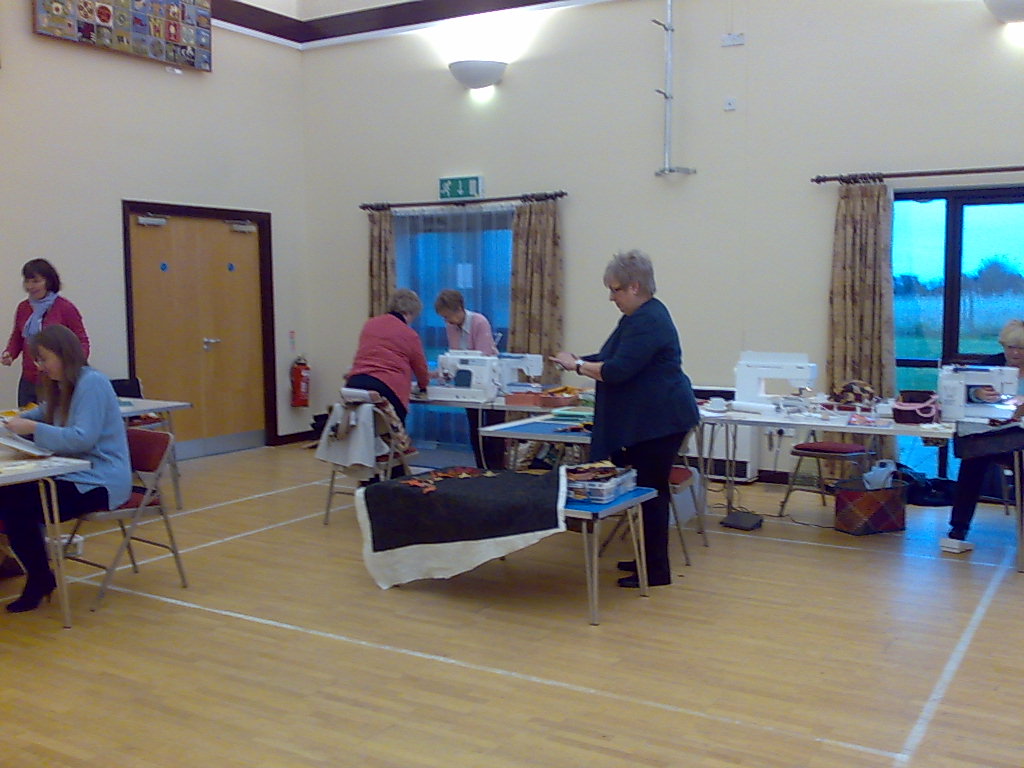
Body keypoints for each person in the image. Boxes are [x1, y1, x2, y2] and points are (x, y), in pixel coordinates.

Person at [551, 250, 700, 588]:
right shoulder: (639, 317)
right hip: (654, 421)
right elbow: (611, 358)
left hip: (660, 423)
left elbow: (617, 370)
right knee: (646, 490)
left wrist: (577, 365)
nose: (611, 297)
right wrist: (577, 359)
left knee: (651, 492)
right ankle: (647, 560)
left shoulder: (648, 320)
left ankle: (656, 571)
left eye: (615, 289)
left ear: (634, 287)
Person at [0, 325, 130, 613]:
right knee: (10, 497)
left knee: (17, 505)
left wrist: (33, 428)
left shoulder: (92, 383)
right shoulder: (63, 385)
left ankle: (39, 577)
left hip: (99, 479)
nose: (40, 366)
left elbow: (82, 438)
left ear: (64, 354)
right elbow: (38, 414)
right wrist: (9, 423)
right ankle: (38, 574)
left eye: (44, 359)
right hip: (72, 472)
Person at [946, 319, 1024, 547]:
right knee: (973, 460)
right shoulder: (991, 364)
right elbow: (964, 392)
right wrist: (978, 394)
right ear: (1003, 346)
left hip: (1018, 437)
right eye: (1010, 347)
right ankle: (959, 526)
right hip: (993, 433)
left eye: (1022, 348)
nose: (1015, 353)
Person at [2, 259, 90, 408]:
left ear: (48, 282)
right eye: (27, 281)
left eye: (36, 281)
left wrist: (73, 366)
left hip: (56, 379)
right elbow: (18, 336)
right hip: (29, 378)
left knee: (54, 418)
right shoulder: (23, 307)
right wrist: (9, 353)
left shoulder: (65, 307)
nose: (30, 286)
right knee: (26, 418)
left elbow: (82, 341)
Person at [434, 289, 505, 469]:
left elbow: (483, 357)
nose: (446, 321)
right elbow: (455, 356)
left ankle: (496, 470)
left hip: (490, 383)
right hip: (468, 384)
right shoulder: (451, 326)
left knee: (493, 432)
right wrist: (444, 373)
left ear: (459, 309)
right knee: (475, 428)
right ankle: (481, 468)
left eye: (448, 316)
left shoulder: (479, 322)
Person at [345, 288, 430, 426]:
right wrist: (423, 386)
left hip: (355, 384)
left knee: (359, 431)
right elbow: (420, 368)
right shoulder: (409, 335)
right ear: (410, 313)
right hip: (387, 389)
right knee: (391, 432)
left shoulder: (370, 324)